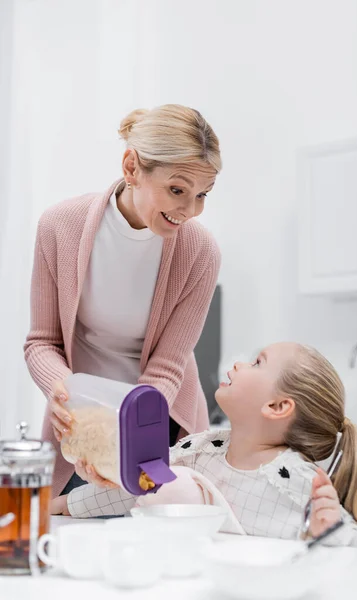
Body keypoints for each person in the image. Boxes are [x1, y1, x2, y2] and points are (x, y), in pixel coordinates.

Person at [24, 104, 222, 498]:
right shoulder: (60, 226)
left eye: (202, 194)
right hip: (83, 429)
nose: (191, 210)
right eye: (177, 190)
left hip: (157, 427)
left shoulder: (201, 252)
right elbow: (41, 343)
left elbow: (168, 366)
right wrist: (68, 398)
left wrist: (127, 436)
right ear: (132, 168)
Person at [52, 343, 357, 549]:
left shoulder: (297, 482)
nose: (240, 363)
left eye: (257, 362)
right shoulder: (199, 450)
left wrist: (325, 533)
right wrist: (64, 504)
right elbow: (139, 484)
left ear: (277, 407)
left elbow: (356, 545)